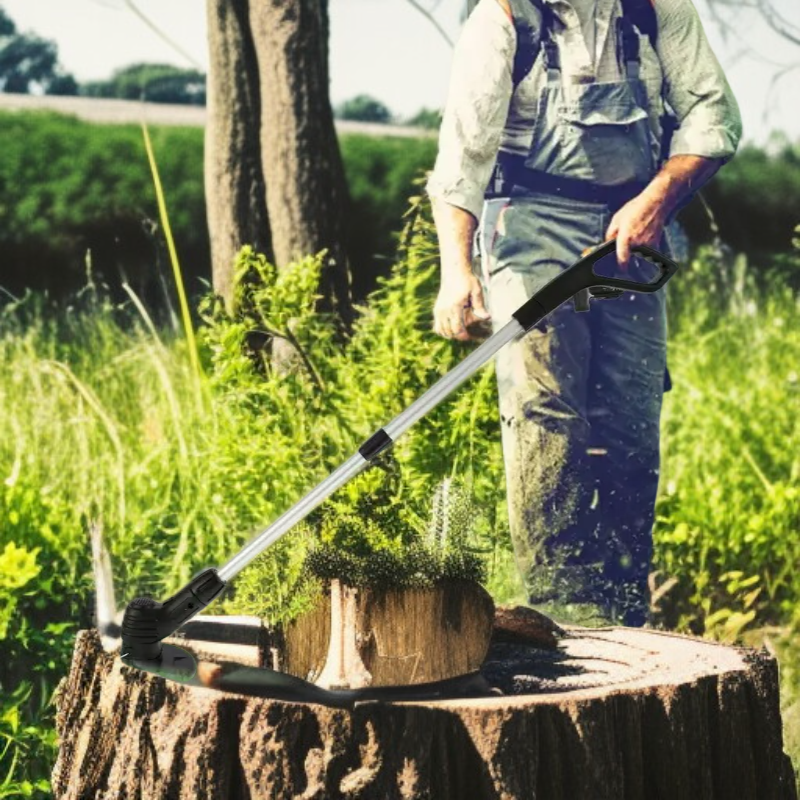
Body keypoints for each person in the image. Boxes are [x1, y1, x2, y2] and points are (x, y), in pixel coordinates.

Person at [426, 0, 741, 625]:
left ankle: (626, 605)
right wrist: (456, 270)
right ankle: (562, 605)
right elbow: (463, 155)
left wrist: (659, 198)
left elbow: (715, 116)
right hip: (531, 223)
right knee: (544, 408)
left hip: (635, 227)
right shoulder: (506, 19)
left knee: (630, 414)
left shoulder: (658, 11)